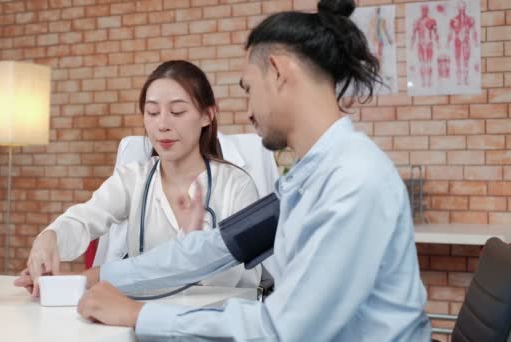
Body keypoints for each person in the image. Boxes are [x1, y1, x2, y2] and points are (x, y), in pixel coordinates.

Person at [81, 1, 432, 341]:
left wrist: (139, 315)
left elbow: (283, 330)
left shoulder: (352, 180)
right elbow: (213, 248)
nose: (247, 111)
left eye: (248, 89)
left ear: (278, 72)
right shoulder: (308, 178)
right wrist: (101, 276)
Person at [14, 60, 263, 295]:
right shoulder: (133, 179)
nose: (162, 125)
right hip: (143, 319)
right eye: (152, 113)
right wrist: (50, 237)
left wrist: (194, 242)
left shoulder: (237, 186)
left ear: (207, 115)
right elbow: (84, 219)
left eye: (177, 112)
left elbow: (229, 278)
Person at [447, 0, 478, 86]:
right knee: (457, 61)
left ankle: (466, 79)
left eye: (463, 8)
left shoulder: (470, 19)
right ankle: (459, 80)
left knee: (465, 61)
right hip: (457, 42)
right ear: (457, 8)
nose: (461, 10)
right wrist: (448, 43)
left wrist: (476, 42)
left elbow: (474, 31)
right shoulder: (453, 20)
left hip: (466, 42)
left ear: (465, 8)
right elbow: (450, 32)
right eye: (460, 8)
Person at [410, 4, 440, 87]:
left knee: (429, 64)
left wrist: (438, 44)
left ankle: (429, 82)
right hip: (420, 44)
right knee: (422, 64)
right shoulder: (417, 22)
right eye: (423, 10)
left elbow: (436, 33)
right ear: (421, 10)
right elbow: (413, 35)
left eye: (426, 10)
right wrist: (411, 46)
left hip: (429, 43)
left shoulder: (432, 21)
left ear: (427, 10)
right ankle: (423, 82)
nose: (424, 11)